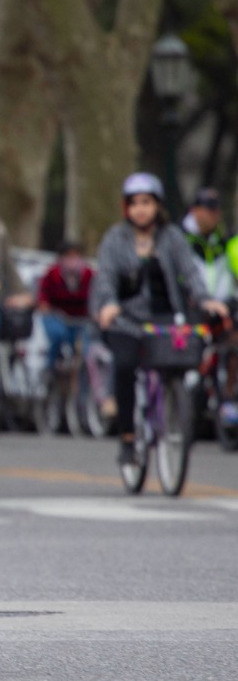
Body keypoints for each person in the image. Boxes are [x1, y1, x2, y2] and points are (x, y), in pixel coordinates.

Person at [91, 173, 227, 465]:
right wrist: (110, 305)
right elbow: (105, 278)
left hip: (165, 320)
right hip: (125, 320)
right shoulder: (115, 238)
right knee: (126, 365)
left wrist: (206, 300)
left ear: (157, 206)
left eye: (147, 202)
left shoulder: (172, 237)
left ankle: (175, 408)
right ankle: (128, 437)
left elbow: (190, 273)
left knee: (179, 363)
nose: (140, 209)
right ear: (126, 207)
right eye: (134, 203)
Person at [36, 240, 94, 370]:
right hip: (58, 316)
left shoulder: (89, 274)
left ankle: (84, 380)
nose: (72, 260)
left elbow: (97, 294)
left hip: (81, 319)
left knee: (86, 348)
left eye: (76, 255)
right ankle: (51, 369)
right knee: (57, 336)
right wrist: (44, 305)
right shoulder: (52, 274)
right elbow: (43, 294)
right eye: (68, 256)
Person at [182, 187, 237, 303]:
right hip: (192, 309)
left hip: (225, 309)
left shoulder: (228, 238)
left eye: (216, 208)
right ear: (194, 210)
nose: (214, 213)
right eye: (208, 208)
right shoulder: (181, 238)